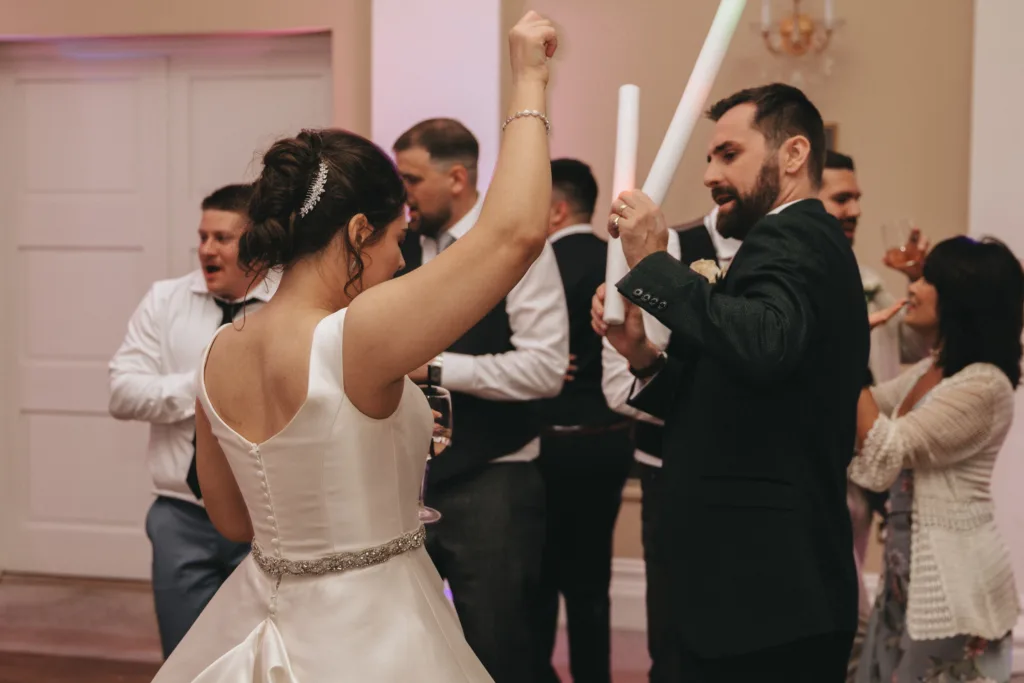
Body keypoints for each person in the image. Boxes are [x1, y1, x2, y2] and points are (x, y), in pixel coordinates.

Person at [148, 12, 559, 682]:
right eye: (398, 239)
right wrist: (531, 77)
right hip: (374, 628)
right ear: (360, 230)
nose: (400, 261)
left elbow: (230, 520)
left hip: (260, 616)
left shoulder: (217, 350)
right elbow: (513, 234)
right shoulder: (355, 335)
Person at [593, 83, 868, 682]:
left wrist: (653, 265)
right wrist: (640, 354)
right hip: (758, 587)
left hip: (765, 589)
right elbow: (741, 392)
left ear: (792, 155)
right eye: (710, 157)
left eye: (729, 154)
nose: (711, 174)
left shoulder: (791, 235)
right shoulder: (791, 239)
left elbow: (765, 343)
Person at [392, 117, 568, 680]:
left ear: (458, 178)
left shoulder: (515, 247)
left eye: (413, 180)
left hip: (494, 482)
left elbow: (544, 369)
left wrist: (436, 368)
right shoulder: (399, 250)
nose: (405, 196)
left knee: (499, 645)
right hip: (404, 483)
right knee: (412, 647)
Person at [108, 183, 276, 659]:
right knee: (184, 661)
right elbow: (123, 392)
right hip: (180, 517)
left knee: (262, 660)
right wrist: (207, 384)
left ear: (259, 241)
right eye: (202, 237)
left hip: (267, 519)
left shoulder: (291, 306)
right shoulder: (165, 301)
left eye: (222, 238)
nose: (206, 249)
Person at [849, 236, 1023, 683]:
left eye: (928, 280)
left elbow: (884, 447)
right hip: (904, 579)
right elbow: (870, 408)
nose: (913, 288)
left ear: (961, 301)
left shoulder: (984, 387)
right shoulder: (935, 368)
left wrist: (846, 351)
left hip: (953, 586)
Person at [600, 212, 723, 683]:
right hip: (668, 473)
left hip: (756, 481)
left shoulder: (782, 261)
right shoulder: (666, 249)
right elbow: (618, 388)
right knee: (674, 635)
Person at [532, 158, 634, 683]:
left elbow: (531, 354)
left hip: (551, 444)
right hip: (610, 441)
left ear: (557, 208)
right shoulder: (614, 259)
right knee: (592, 583)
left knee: (541, 579)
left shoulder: (539, 264)